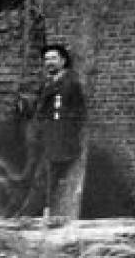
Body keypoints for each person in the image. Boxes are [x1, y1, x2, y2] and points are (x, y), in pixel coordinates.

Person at [13, 44, 86, 216]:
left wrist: (65, 136)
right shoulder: (48, 83)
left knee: (42, 180)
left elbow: (77, 113)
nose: (49, 62)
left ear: (63, 60)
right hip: (43, 140)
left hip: (59, 141)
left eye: (53, 58)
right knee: (31, 177)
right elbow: (41, 110)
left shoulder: (70, 83)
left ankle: (25, 217)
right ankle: (23, 214)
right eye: (46, 59)